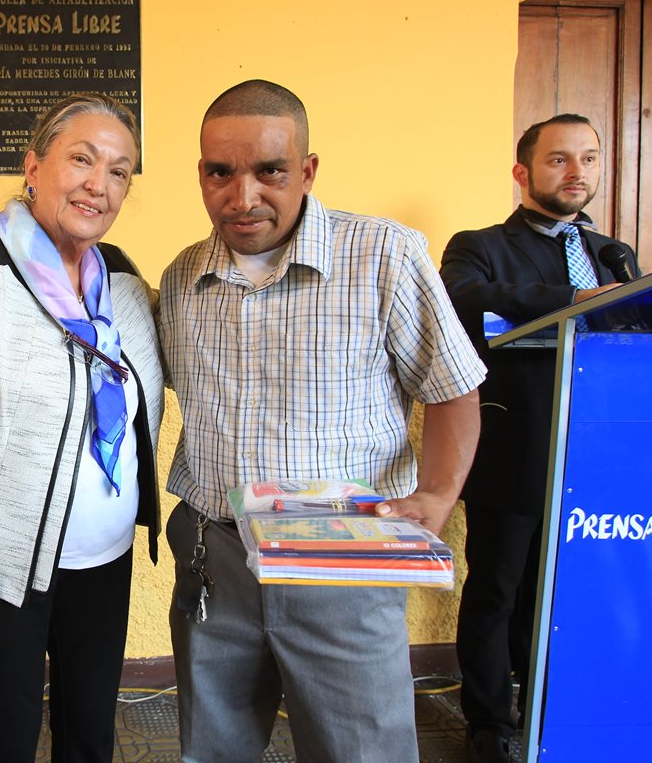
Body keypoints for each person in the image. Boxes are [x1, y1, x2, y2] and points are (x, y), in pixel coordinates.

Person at [158, 79, 486, 763]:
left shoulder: (385, 257)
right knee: (213, 750)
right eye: (221, 172)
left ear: (307, 171)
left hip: (347, 563)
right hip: (215, 562)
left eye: (269, 171)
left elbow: (453, 388)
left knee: (359, 750)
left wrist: (435, 495)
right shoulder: (182, 279)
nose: (243, 195)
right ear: (201, 175)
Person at [0, 92, 164, 763]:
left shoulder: (124, 280)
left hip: (105, 560)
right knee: (4, 742)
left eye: (119, 171)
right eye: (81, 159)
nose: (98, 184)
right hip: (2, 568)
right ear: (33, 166)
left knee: (90, 738)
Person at [440, 114, 640, 763]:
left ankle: (557, 706)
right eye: (559, 160)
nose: (577, 172)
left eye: (588, 158)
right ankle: (491, 723)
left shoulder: (614, 253)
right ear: (523, 172)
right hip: (515, 452)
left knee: (567, 587)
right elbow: (464, 300)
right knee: (499, 588)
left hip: (595, 454)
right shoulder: (480, 246)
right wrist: (581, 297)